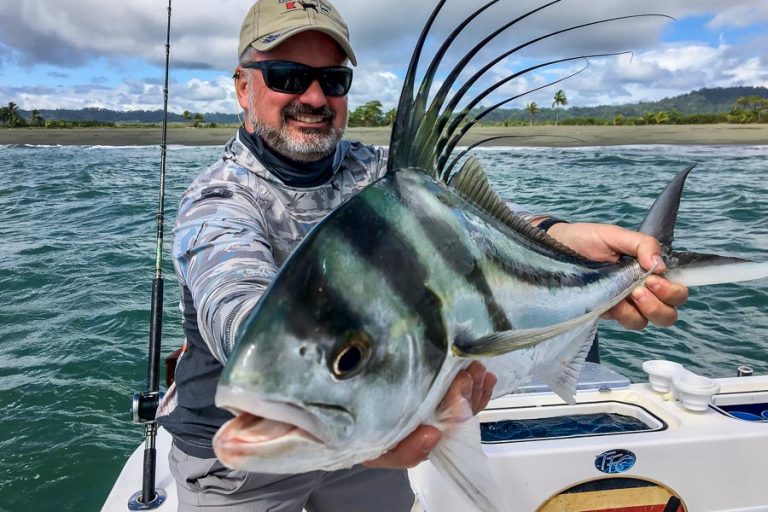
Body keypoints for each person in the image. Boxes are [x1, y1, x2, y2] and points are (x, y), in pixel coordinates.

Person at [156, 0, 689, 510]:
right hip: (246, 461)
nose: (315, 97)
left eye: (334, 80)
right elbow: (231, 300)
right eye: (287, 77)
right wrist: (334, 373)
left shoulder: (383, 173)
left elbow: (483, 228)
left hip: (375, 421)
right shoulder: (217, 197)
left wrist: (565, 236)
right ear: (242, 86)